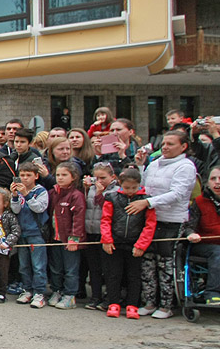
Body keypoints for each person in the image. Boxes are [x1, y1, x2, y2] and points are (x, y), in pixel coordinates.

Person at [132, 129, 198, 319]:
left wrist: (149, 203)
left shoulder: (185, 166)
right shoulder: (154, 164)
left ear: (183, 146)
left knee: (166, 264)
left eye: (171, 144)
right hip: (150, 220)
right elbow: (144, 186)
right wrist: (141, 166)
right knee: (148, 262)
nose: (166, 147)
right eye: (164, 144)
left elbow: (178, 194)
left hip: (172, 220)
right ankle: (150, 301)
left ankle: (167, 305)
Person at [101, 168, 156, 319]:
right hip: (115, 242)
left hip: (135, 244)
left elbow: (149, 225)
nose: (130, 191)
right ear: (120, 184)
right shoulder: (111, 198)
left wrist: (141, 245)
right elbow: (106, 220)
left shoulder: (146, 199)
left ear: (139, 184)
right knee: (114, 274)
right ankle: (113, 302)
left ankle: (133, 304)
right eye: (127, 188)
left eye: (134, 187)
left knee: (134, 275)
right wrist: (106, 239)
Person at [10, 161, 50, 308]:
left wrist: (27, 195)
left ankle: (40, 292)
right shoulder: (19, 191)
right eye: (22, 175)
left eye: (28, 175)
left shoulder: (41, 191)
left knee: (38, 265)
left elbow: (39, 208)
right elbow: (15, 210)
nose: (25, 178)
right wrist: (14, 196)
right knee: (24, 265)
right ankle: (27, 289)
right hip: (22, 232)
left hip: (36, 233)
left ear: (36, 176)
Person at [47, 162, 86, 309]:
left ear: (73, 177)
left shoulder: (76, 196)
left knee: (70, 269)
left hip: (70, 240)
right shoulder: (53, 193)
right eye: (58, 175)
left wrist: (74, 238)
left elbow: (78, 218)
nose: (60, 178)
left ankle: (70, 295)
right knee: (56, 268)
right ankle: (57, 290)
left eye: (64, 175)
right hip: (54, 238)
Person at [82, 164, 118, 311]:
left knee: (108, 268)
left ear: (112, 177)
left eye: (103, 178)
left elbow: (109, 208)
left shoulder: (115, 191)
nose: (100, 181)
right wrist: (86, 189)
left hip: (106, 234)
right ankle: (95, 296)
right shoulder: (91, 188)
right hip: (91, 231)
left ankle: (109, 298)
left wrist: (100, 194)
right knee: (94, 268)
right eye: (97, 178)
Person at [183, 166, 220, 305]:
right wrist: (191, 234)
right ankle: (213, 292)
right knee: (218, 252)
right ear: (207, 182)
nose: (217, 182)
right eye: (213, 179)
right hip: (204, 245)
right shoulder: (199, 202)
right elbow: (189, 226)